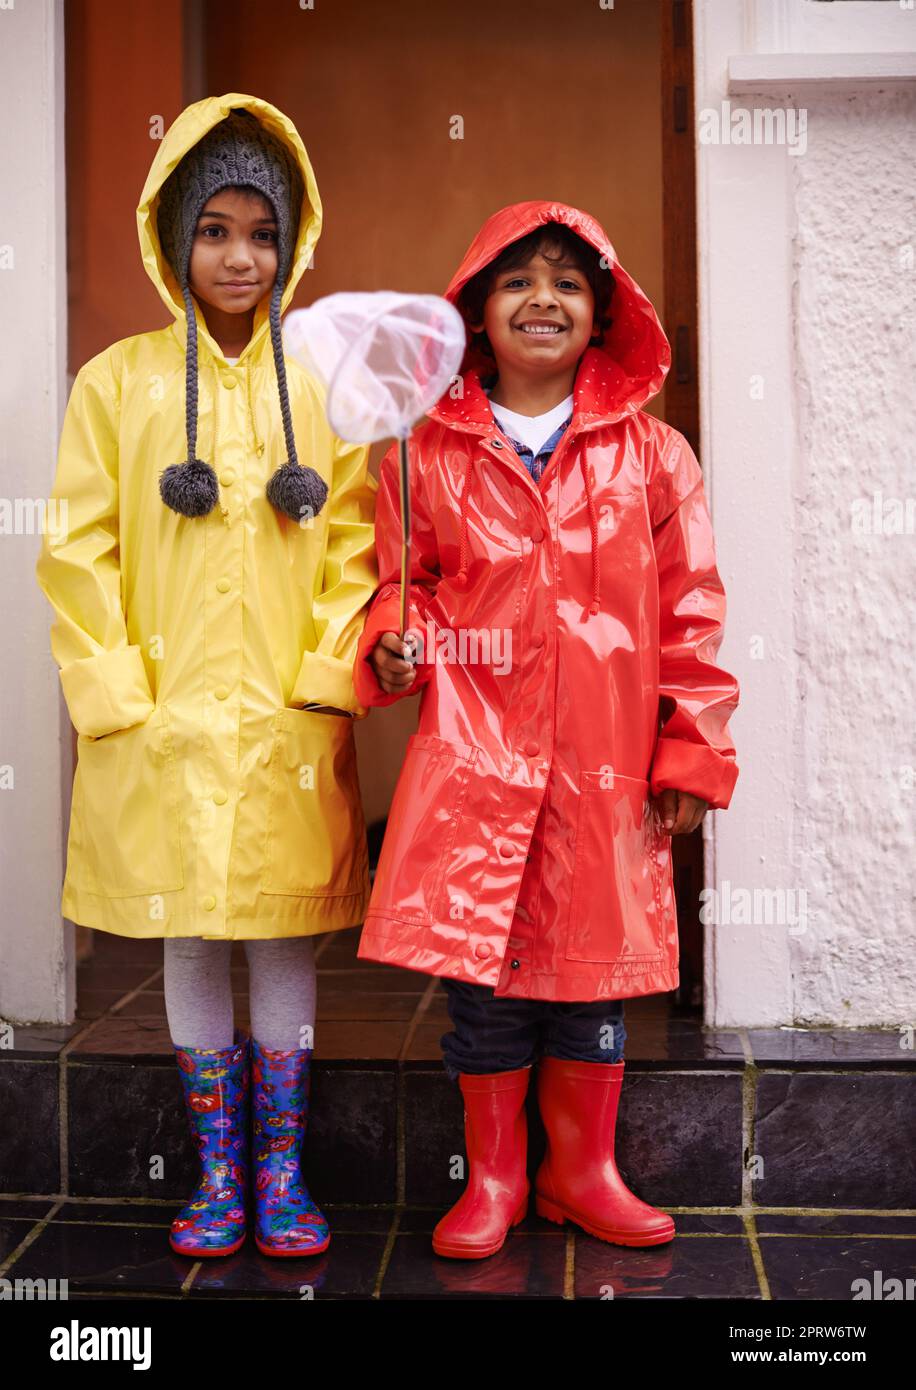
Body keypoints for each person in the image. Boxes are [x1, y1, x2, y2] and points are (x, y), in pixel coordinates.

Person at [352, 201, 740, 1260]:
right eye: (517, 279)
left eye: (569, 281)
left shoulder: (653, 456)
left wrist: (690, 744)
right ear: (476, 309)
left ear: (603, 314)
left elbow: (691, 609)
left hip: (604, 763)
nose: (543, 299)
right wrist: (398, 645)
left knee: (591, 982)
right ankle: (494, 1177)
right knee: (482, 983)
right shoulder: (420, 452)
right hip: (476, 759)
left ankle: (583, 1170)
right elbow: (405, 589)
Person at [35, 94, 378, 1259]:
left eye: (262, 233)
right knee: (189, 933)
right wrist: (118, 694)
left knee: (280, 937)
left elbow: (356, 542)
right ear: (173, 238)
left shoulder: (326, 383)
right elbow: (79, 550)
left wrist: (328, 674)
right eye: (216, 229)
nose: (240, 256)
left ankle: (281, 1177)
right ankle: (217, 1176)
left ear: (293, 242)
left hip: (285, 722)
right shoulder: (116, 384)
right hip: (166, 723)